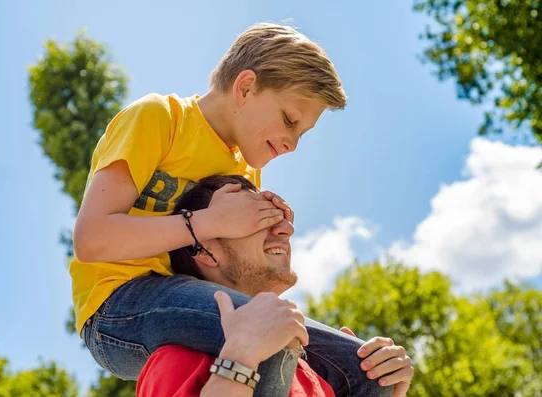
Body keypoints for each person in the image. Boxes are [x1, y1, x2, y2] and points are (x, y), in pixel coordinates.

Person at [72, 21, 369, 396]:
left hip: (190, 299)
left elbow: (235, 279)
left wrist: (270, 234)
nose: (292, 143)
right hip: (116, 308)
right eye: (289, 121)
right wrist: (207, 222)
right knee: (265, 333)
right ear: (245, 87)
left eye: (302, 133)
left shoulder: (246, 172)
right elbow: (90, 239)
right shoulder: (161, 118)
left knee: (364, 368)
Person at [135, 175, 414, 397]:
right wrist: (240, 358)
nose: (285, 229)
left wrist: (387, 389)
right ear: (207, 251)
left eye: (278, 218)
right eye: (257, 219)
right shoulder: (176, 361)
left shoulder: (316, 374)